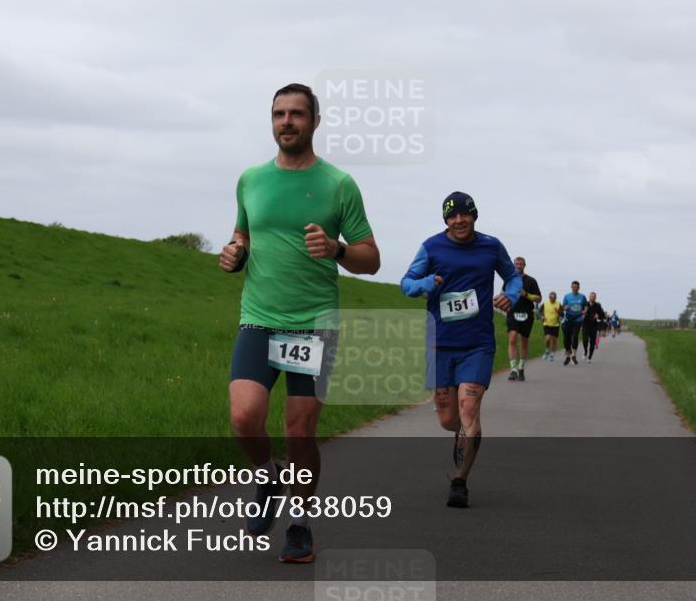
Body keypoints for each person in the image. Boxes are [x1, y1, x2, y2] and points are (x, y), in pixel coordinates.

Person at [220, 83, 380, 564]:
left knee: (299, 432)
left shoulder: (338, 184)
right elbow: (242, 234)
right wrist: (234, 253)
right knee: (244, 417)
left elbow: (370, 259)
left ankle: (300, 523)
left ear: (314, 121)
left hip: (312, 325)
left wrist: (337, 249)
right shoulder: (250, 180)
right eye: (278, 114)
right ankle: (268, 476)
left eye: (296, 114)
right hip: (259, 318)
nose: (286, 122)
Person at [401, 192, 522, 508]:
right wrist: (425, 284)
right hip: (440, 344)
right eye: (452, 216)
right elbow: (406, 283)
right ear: (445, 220)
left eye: (464, 214)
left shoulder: (491, 246)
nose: (459, 220)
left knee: (469, 410)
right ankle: (459, 433)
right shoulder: (432, 247)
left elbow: (512, 277)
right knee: (447, 418)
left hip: (477, 344)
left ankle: (460, 480)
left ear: (474, 215)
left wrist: (511, 294)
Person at [505, 257, 541, 381]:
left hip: (526, 313)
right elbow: (504, 293)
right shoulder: (509, 279)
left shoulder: (531, 281)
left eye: (521, 264)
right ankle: (513, 369)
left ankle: (521, 368)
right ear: (513, 265)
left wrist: (527, 295)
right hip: (512, 312)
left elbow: (538, 298)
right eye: (516, 264)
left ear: (524, 265)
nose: (518, 266)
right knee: (513, 337)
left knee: (524, 341)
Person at [560, 281, 588, 366]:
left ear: (578, 288)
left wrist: (585, 311)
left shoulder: (582, 297)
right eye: (573, 286)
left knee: (575, 336)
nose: (575, 288)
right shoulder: (567, 296)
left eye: (576, 286)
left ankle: (574, 355)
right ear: (571, 287)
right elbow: (563, 307)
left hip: (578, 319)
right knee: (566, 339)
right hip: (568, 319)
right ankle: (568, 356)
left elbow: (585, 306)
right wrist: (566, 307)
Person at [582, 292, 607, 363]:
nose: (592, 298)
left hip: (594, 325)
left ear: (595, 298)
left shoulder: (598, 305)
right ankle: (585, 352)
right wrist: (583, 314)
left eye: (593, 297)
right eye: (591, 296)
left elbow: (603, 315)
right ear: (589, 297)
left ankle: (589, 357)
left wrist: (598, 316)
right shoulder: (585, 304)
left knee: (592, 342)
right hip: (586, 324)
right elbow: (581, 312)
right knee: (585, 339)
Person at [541, 291, 563, 361]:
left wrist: (558, 312)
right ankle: (547, 350)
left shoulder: (559, 304)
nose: (552, 299)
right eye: (551, 298)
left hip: (555, 325)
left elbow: (562, 314)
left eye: (554, 298)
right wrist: (542, 316)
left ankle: (552, 354)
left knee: (554, 340)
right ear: (549, 297)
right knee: (547, 338)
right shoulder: (545, 303)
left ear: (556, 298)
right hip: (546, 324)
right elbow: (539, 311)